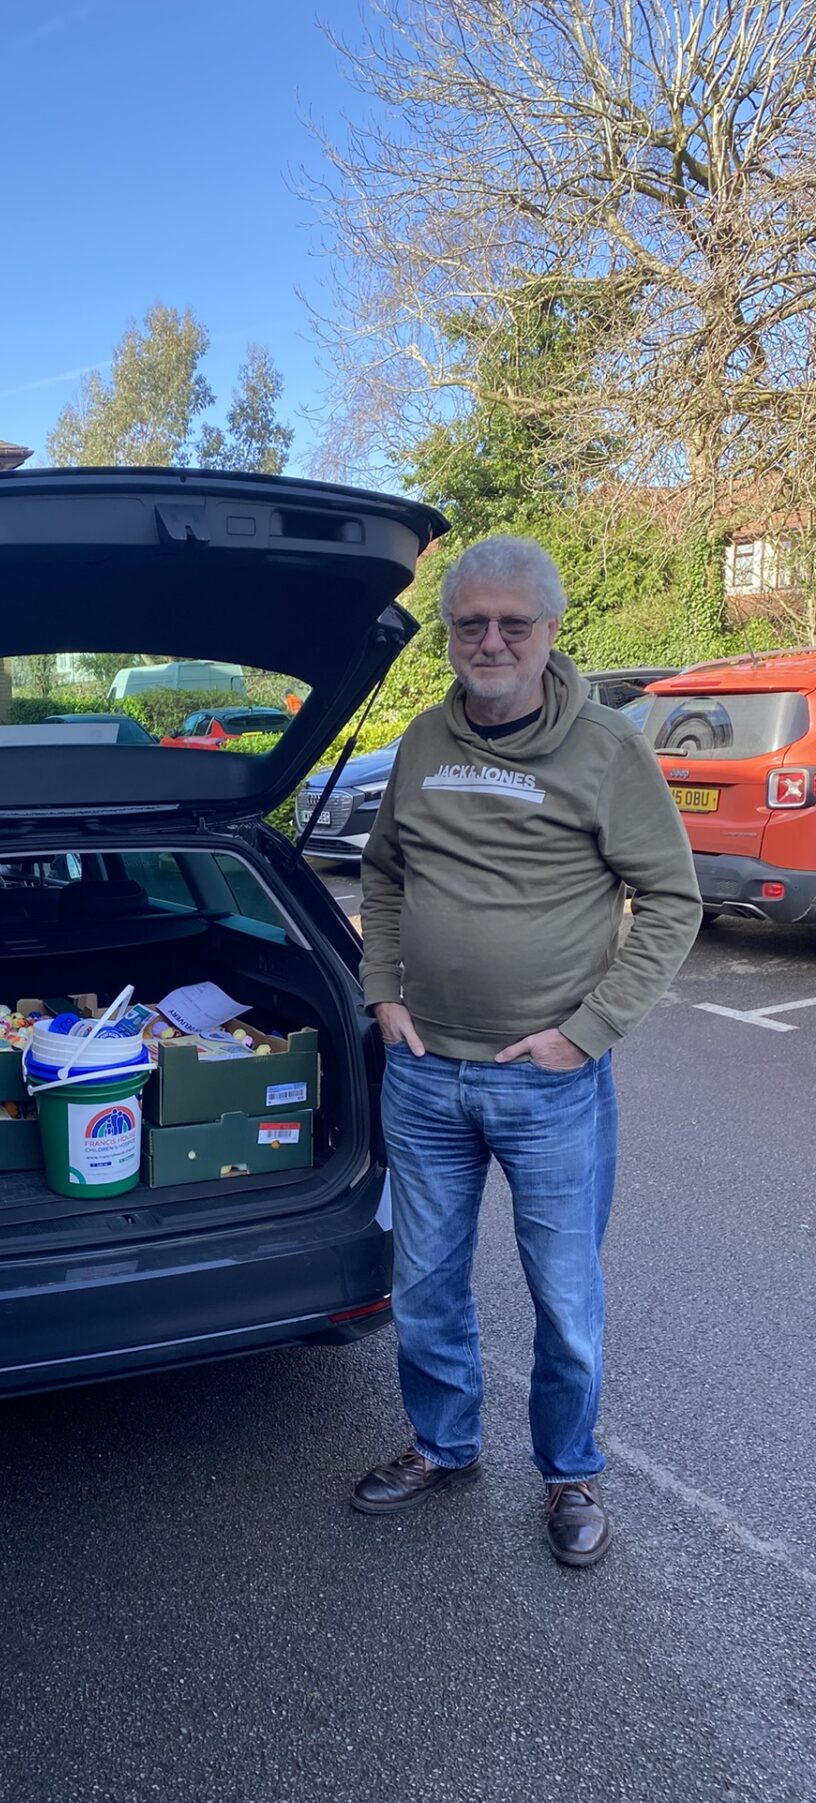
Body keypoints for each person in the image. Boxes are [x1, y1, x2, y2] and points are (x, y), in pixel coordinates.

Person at [352, 535, 701, 1567]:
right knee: (422, 1284)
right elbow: (380, 875)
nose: (490, 640)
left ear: (551, 632)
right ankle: (444, 1445)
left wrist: (586, 1034)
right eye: (471, 624)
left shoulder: (606, 750)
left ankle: (570, 1473)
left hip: (548, 1085)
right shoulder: (421, 741)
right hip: (423, 1076)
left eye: (513, 623)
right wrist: (381, 995)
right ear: (451, 634)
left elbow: (674, 901)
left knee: (564, 1296)